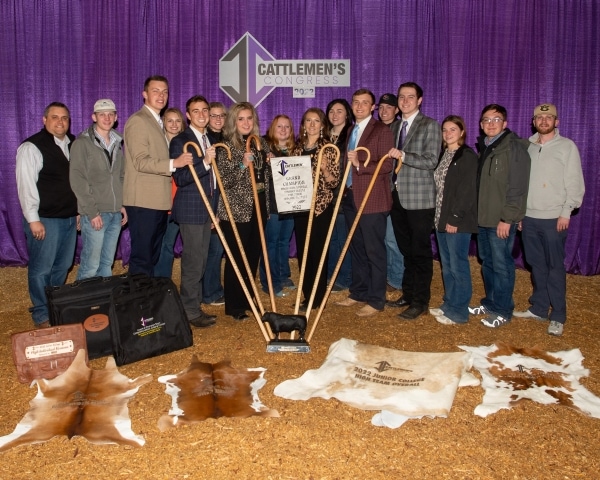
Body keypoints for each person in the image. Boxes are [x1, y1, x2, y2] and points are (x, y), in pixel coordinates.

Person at [513, 104, 585, 336]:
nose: (544, 121)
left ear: (557, 121)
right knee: (537, 265)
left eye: (549, 117)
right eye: (539, 117)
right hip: (530, 218)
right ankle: (540, 308)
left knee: (555, 267)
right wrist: (521, 214)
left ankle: (558, 315)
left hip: (554, 218)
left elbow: (574, 182)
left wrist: (567, 210)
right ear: (533, 121)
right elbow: (522, 184)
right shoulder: (529, 146)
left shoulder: (567, 147)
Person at [16, 102, 78, 328]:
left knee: (62, 266)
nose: (60, 122)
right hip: (45, 220)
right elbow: (26, 186)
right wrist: (33, 219)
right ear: (44, 120)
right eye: (55, 117)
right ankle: (42, 314)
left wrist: (78, 211)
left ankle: (54, 307)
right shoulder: (31, 147)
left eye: (64, 118)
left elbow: (77, 182)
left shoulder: (74, 144)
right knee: (41, 268)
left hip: (70, 218)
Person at [123, 75, 192, 276]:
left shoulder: (157, 122)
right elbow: (141, 161)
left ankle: (147, 301)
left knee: (152, 257)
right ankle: (137, 304)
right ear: (145, 94)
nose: (161, 95)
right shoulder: (139, 121)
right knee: (142, 259)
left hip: (158, 202)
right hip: (143, 201)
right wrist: (174, 163)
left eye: (165, 91)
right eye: (155, 91)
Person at [336, 89, 394, 317]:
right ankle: (359, 291)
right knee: (357, 248)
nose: (359, 107)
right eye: (356, 102)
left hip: (373, 199)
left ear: (373, 107)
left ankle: (376, 299)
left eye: (365, 103)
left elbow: (386, 165)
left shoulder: (382, 130)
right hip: (351, 196)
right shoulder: (352, 129)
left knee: (374, 250)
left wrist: (360, 163)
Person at [473, 104, 531, 328]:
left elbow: (518, 188)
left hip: (500, 221)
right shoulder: (485, 147)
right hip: (484, 218)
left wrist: (508, 219)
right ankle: (490, 302)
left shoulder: (514, 148)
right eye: (486, 120)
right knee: (487, 262)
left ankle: (504, 310)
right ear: (481, 124)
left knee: (502, 265)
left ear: (505, 123)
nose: (491, 124)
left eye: (496, 119)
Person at [387, 82, 441, 320]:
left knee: (420, 252)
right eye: (402, 97)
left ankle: (421, 301)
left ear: (420, 100)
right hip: (397, 196)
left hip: (420, 200)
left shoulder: (429, 125)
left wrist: (404, 155)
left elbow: (431, 161)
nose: (405, 101)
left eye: (410, 97)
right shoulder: (395, 126)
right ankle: (408, 294)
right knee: (406, 249)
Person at [216, 102, 270, 321]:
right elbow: (223, 183)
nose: (246, 122)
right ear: (234, 122)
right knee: (236, 258)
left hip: (259, 208)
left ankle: (249, 298)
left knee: (252, 255)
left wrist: (271, 164)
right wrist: (241, 165)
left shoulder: (261, 143)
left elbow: (265, 177)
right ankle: (235, 304)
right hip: (236, 211)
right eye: (241, 119)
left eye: (249, 118)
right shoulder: (226, 146)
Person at [170, 95, 218, 328]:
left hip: (206, 209)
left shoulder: (207, 138)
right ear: (187, 115)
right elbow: (181, 177)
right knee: (192, 261)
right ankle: (189, 311)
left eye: (204, 110)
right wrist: (205, 162)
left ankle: (194, 304)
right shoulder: (181, 140)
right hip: (191, 209)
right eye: (195, 111)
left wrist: (214, 209)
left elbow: (214, 182)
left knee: (200, 261)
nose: (201, 114)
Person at [70, 99, 127, 280]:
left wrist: (122, 205)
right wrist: (91, 212)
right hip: (95, 212)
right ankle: (83, 305)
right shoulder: (82, 143)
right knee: (90, 263)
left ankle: (103, 303)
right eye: (102, 114)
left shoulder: (117, 142)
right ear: (94, 117)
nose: (107, 117)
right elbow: (77, 179)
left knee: (106, 262)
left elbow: (120, 176)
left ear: (116, 117)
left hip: (115, 212)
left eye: (111, 114)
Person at [428, 115, 478, 325]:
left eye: (453, 130)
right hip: (441, 217)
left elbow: (466, 191)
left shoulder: (466, 155)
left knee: (458, 265)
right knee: (447, 265)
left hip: (457, 220)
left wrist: (455, 217)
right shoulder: (444, 155)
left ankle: (459, 311)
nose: (448, 134)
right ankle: (449, 303)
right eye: (445, 130)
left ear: (462, 132)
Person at [291, 108, 340, 311]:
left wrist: (326, 170)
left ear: (322, 125)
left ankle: (319, 297)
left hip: (320, 209)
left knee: (318, 253)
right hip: (300, 207)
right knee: (303, 253)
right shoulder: (297, 149)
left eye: (316, 121)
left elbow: (334, 182)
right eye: (308, 121)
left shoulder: (328, 148)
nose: (312, 124)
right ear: (303, 125)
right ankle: (307, 294)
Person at [260, 115, 296, 297]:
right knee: (270, 244)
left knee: (283, 242)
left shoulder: (295, 151)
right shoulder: (265, 149)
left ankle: (283, 277)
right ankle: (269, 283)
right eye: (279, 126)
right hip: (272, 205)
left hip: (290, 204)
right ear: (272, 129)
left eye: (287, 127)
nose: (283, 130)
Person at [325, 99, 354, 292]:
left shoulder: (351, 135)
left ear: (347, 114)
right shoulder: (324, 136)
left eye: (340, 111)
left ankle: (344, 278)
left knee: (343, 238)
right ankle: (330, 275)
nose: (335, 115)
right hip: (325, 196)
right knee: (331, 239)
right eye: (332, 111)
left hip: (343, 196)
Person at [201, 102, 229, 306]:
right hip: (213, 200)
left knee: (219, 248)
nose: (218, 119)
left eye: (222, 116)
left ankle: (214, 288)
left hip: (227, 201)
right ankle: (210, 292)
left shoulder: (227, 139)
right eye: (214, 115)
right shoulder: (205, 140)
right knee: (214, 249)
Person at [378, 93, 404, 293]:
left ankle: (396, 279)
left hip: (394, 191)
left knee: (392, 238)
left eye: (389, 107)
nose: (384, 111)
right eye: (381, 107)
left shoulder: (399, 130)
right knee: (383, 239)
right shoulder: (377, 129)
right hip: (377, 192)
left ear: (397, 110)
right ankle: (387, 275)